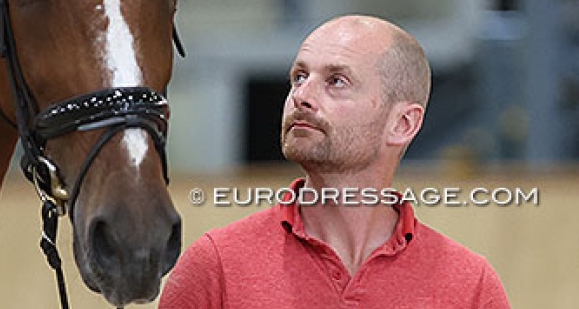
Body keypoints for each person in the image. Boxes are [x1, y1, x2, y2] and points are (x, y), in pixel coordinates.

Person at [159, 15, 510, 308]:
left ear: (403, 124)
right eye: (299, 77)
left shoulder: (470, 287)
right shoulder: (215, 267)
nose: (301, 96)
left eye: (336, 81)